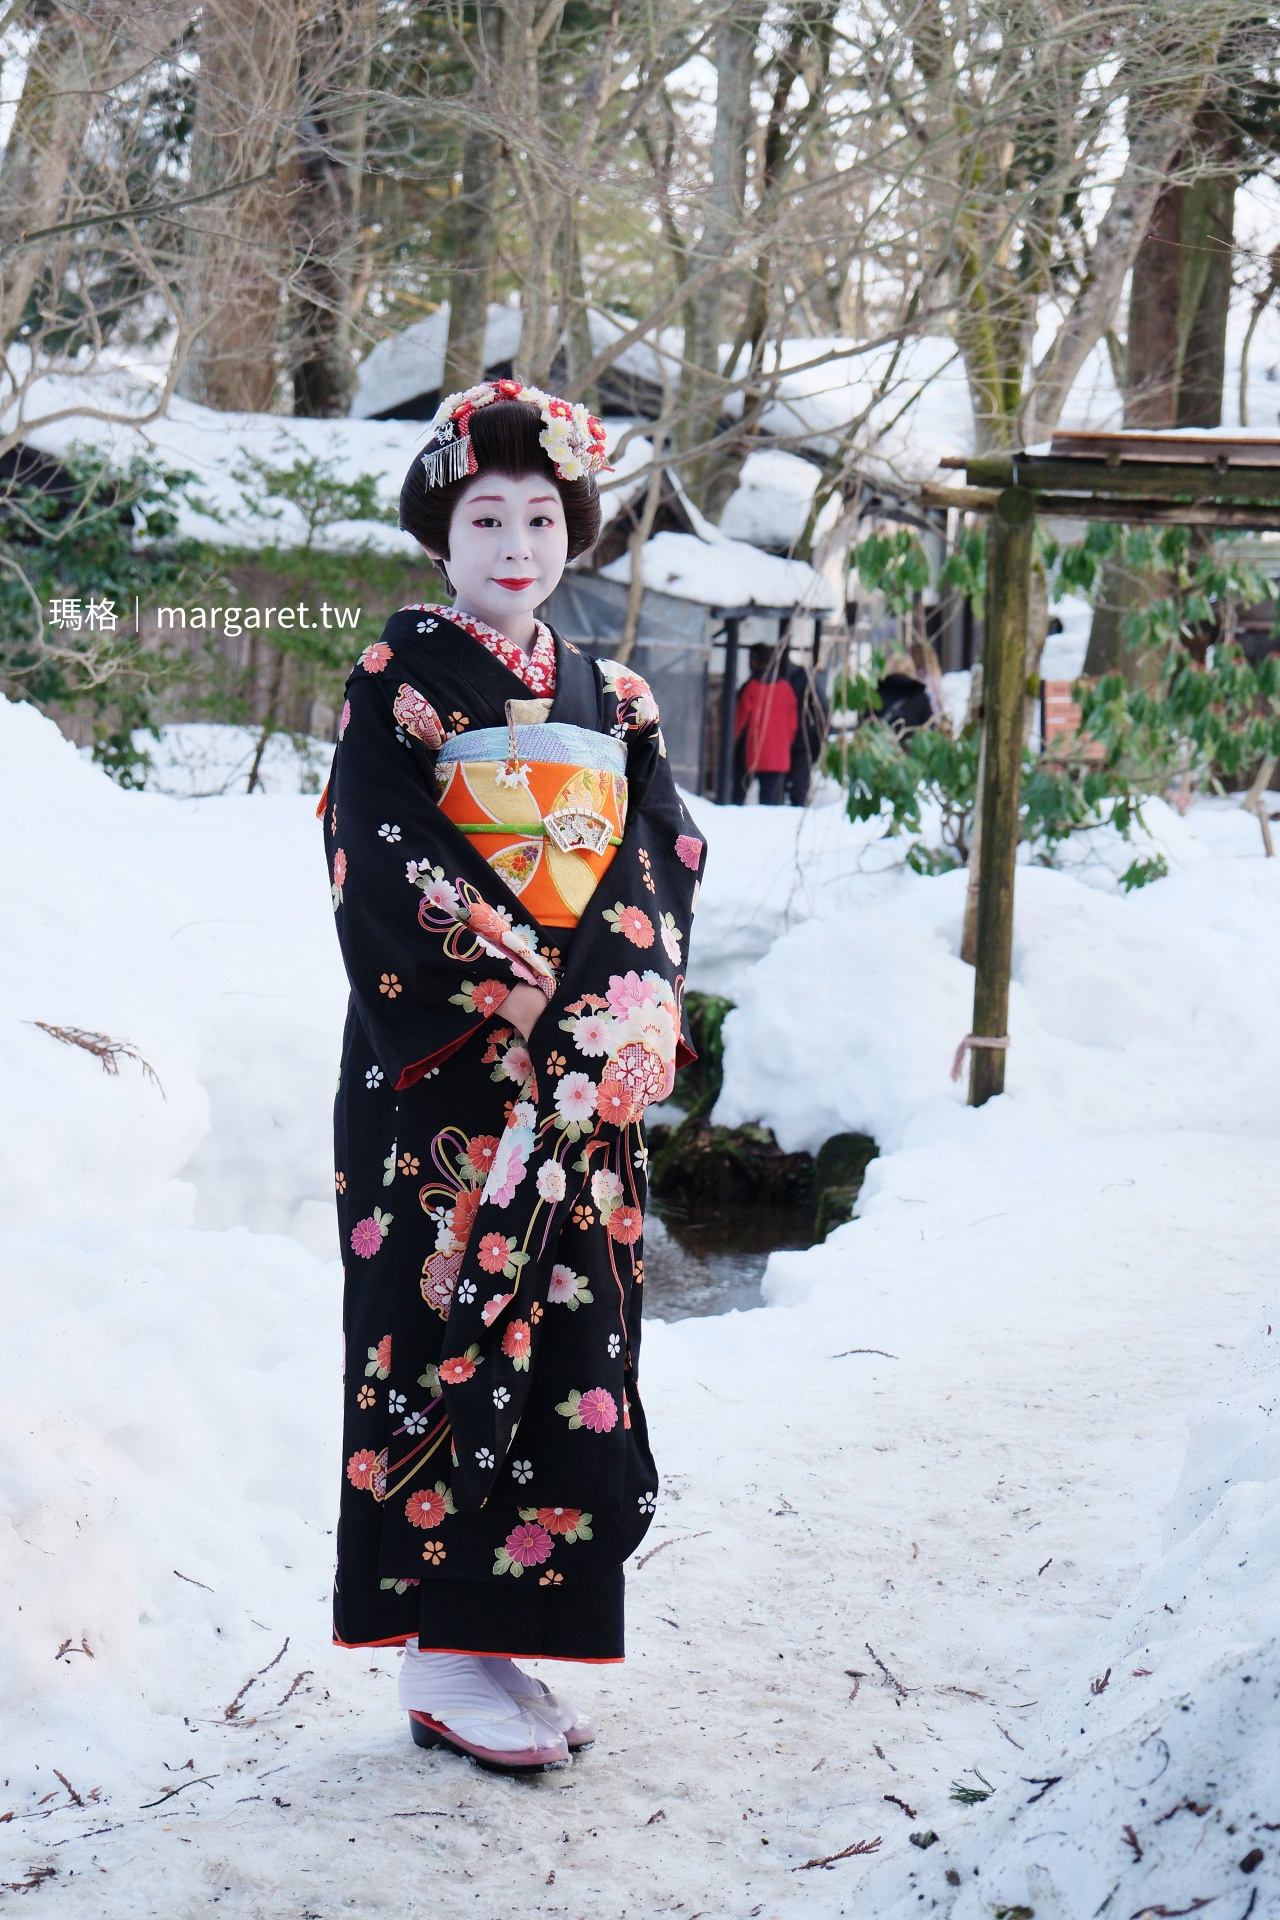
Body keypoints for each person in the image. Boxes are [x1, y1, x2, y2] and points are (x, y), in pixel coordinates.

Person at [320, 381, 704, 1775]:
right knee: (441, 1324)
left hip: (576, 1068)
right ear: (442, 531)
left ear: (572, 533)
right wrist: (515, 979)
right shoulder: (398, 676)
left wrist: (608, 1004)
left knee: (568, 1340)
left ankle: (503, 1641)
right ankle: (437, 1653)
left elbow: (660, 854)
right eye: (486, 517)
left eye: (542, 517)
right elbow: (378, 847)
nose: (516, 544)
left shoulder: (618, 698)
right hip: (445, 1069)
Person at [732, 643, 799, 804]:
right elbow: (793, 726)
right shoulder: (786, 689)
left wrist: (732, 744)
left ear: (754, 661)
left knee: (737, 799)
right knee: (769, 803)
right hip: (778, 756)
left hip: (752, 753)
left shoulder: (751, 688)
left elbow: (739, 722)